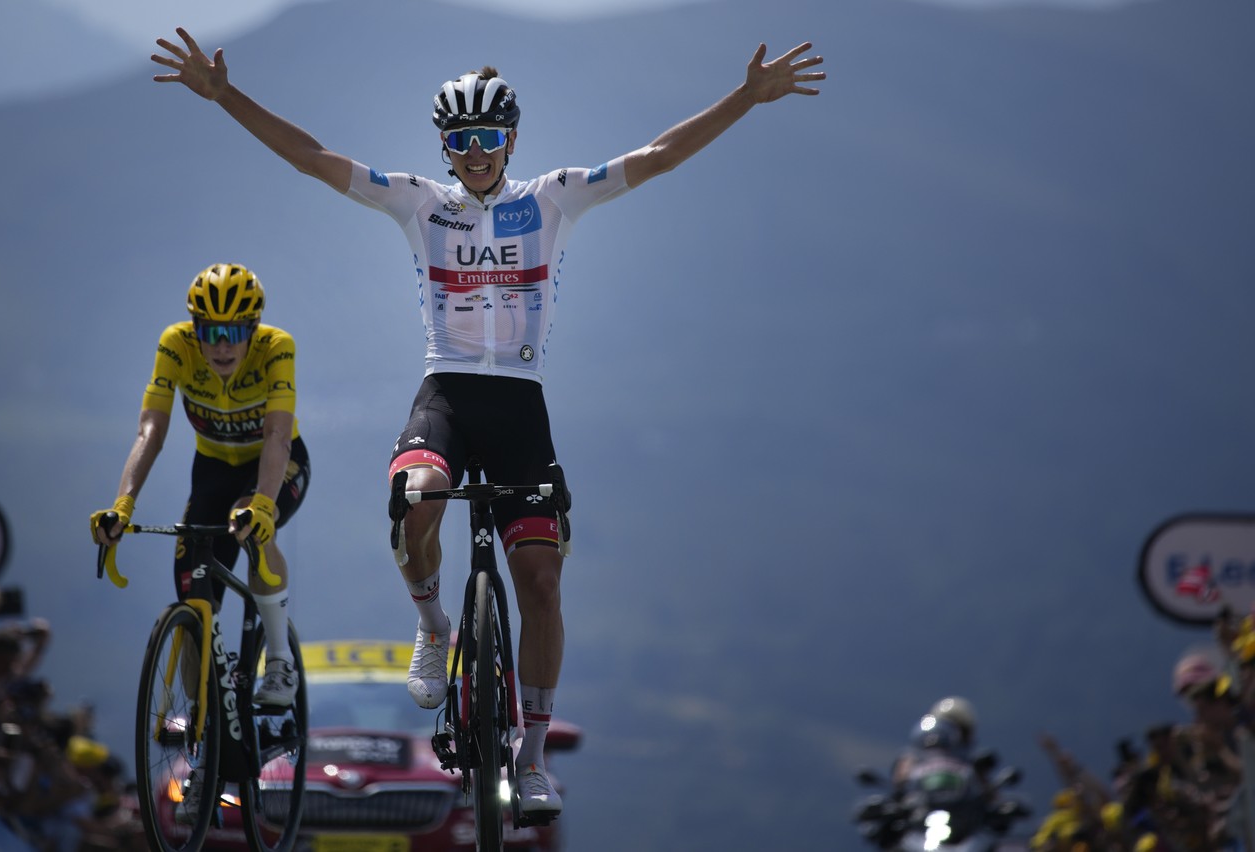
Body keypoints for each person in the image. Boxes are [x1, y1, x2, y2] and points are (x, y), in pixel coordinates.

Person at [150, 26, 825, 818]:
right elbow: (313, 156)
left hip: (520, 406)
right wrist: (226, 95)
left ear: (510, 138)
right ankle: (434, 624)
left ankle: (529, 760)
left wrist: (747, 97)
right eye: (460, 139)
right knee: (417, 496)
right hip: (446, 396)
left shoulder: (554, 198)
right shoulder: (420, 204)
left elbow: (659, 156)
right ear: (445, 145)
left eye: (487, 137)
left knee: (540, 584)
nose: (474, 152)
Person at [91, 262, 310, 708]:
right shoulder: (176, 345)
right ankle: (202, 723)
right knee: (193, 595)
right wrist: (123, 505)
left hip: (274, 466)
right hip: (211, 471)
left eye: (234, 332)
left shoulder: (276, 346)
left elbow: (277, 436)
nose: (223, 346)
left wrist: (264, 505)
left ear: (253, 327)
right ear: (195, 329)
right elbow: (149, 432)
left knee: (248, 523)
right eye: (211, 333)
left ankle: (280, 662)